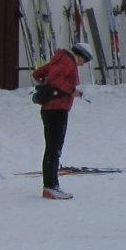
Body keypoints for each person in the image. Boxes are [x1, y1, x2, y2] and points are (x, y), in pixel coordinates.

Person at [32, 40, 92, 199]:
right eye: (84, 61)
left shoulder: (59, 59)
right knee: (54, 149)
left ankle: (50, 186)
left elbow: (38, 73)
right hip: (57, 109)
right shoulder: (68, 62)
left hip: (49, 109)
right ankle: (51, 186)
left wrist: (44, 87)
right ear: (80, 55)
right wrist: (72, 91)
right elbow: (54, 78)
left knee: (51, 148)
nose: (83, 64)